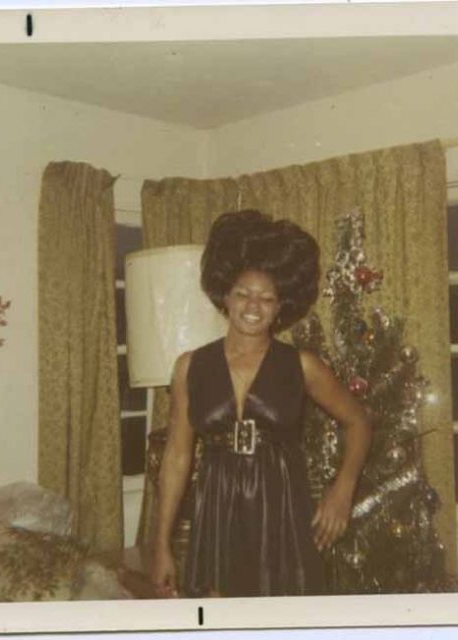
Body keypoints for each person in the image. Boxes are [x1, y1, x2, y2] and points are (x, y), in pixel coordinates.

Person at [151, 210, 372, 598]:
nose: (253, 306)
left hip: (282, 511)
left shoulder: (303, 366)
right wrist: (161, 544)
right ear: (225, 296)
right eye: (243, 294)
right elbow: (176, 456)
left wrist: (343, 490)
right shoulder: (189, 367)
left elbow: (359, 422)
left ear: (280, 305)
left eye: (266, 298)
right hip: (217, 511)